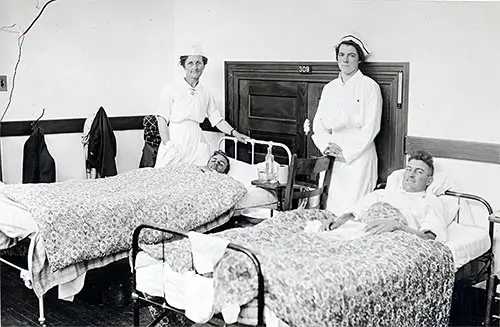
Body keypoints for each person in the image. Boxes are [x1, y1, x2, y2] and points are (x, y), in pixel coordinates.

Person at [311, 34, 383, 216]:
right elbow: (318, 125)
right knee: (329, 209)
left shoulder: (369, 86)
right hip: (332, 154)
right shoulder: (330, 88)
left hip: (358, 157)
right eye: (341, 54)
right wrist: (326, 147)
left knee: (353, 212)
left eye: (351, 55)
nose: (345, 59)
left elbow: (371, 127)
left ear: (359, 59)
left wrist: (347, 153)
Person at [154, 45, 249, 168]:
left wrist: (235, 133)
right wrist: (168, 144)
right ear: (184, 66)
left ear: (203, 66)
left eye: (198, 63)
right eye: (190, 63)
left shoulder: (206, 92)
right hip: (176, 138)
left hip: (196, 140)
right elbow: (162, 119)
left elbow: (217, 119)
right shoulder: (171, 88)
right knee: (165, 176)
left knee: (197, 178)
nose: (195, 67)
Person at [321, 150, 448, 242]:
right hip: (360, 233)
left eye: (419, 172)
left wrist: (397, 226)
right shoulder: (381, 194)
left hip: (392, 241)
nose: (411, 174)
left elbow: (429, 237)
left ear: (429, 181)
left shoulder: (430, 202)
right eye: (409, 169)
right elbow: (354, 214)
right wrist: (337, 223)